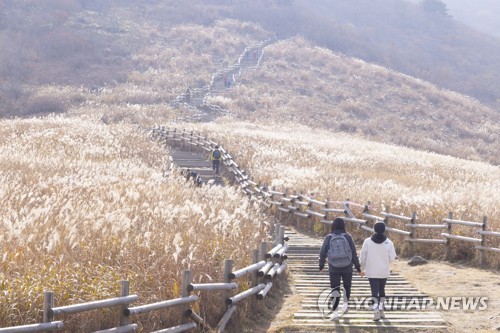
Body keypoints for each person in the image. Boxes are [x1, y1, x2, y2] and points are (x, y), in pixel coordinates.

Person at [319, 217, 361, 320]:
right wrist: (358, 267)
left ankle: (335, 312)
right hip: (347, 266)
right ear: (343, 226)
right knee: (347, 287)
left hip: (333, 267)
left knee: (335, 289)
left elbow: (322, 252)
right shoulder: (348, 237)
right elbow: (354, 253)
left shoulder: (328, 237)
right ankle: (345, 305)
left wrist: (321, 265)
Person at [359, 221, 397, 321]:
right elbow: (392, 258)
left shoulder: (367, 241)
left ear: (374, 229)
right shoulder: (389, 242)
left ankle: (376, 313)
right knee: (382, 291)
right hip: (383, 271)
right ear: (384, 230)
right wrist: (385, 261)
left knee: (374, 292)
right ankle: (382, 310)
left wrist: (362, 269)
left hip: (371, 271)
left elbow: (363, 257)